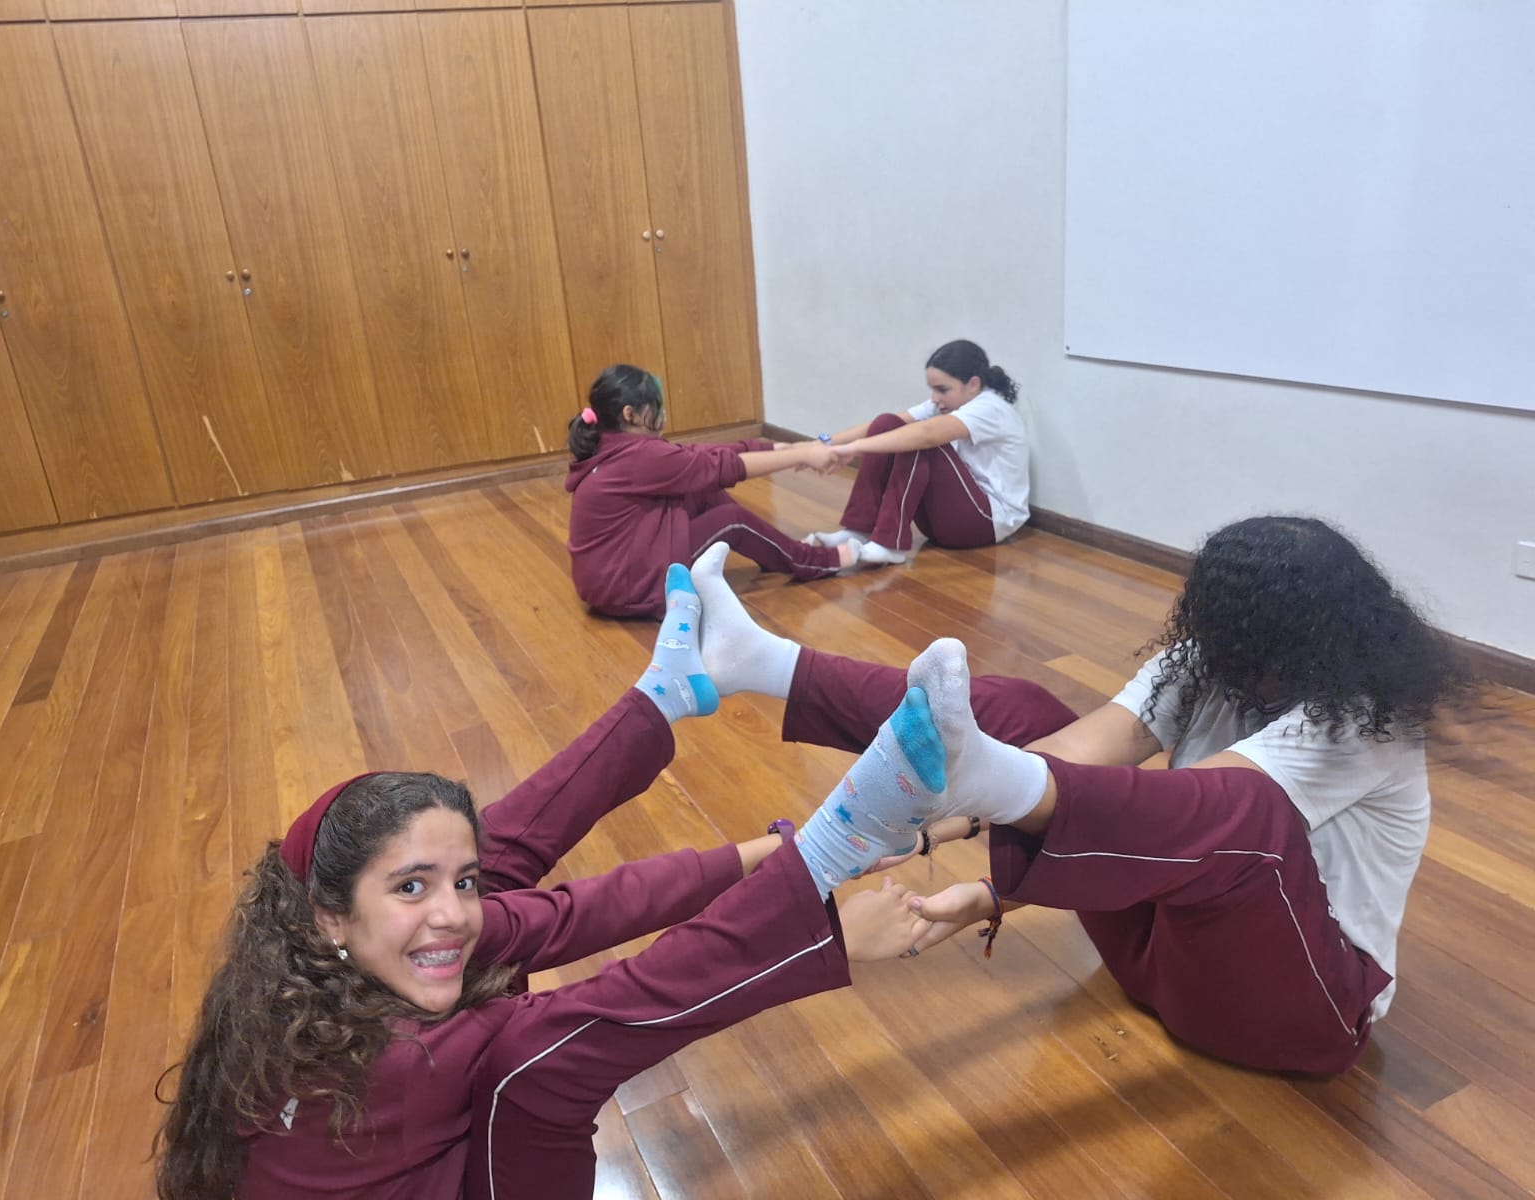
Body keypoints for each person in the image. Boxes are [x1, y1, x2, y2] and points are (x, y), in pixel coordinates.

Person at [154, 564, 962, 1200]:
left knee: (493, 860)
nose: (450, 912)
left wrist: (777, 849)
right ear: (330, 915)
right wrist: (821, 873)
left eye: (457, 883)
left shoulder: (309, 967)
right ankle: (736, 765)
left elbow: (576, 910)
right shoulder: (395, 1061)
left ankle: (662, 696)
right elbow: (621, 1008)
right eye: (409, 888)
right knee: (539, 1060)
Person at [688, 517, 1474, 1074]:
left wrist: (964, 845)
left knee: (1246, 814)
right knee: (1019, 710)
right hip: (1158, 953)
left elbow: (1199, 827)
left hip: (1295, 1010)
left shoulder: (1365, 721)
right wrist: (949, 833)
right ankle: (763, 662)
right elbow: (1086, 753)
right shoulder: (1212, 658)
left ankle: (958, 776)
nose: (1229, 659)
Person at [566, 364, 855, 619]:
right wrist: (801, 456)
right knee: (732, 520)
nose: (662, 413)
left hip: (614, 578)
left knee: (700, 489)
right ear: (630, 414)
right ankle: (812, 561)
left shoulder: (614, 445)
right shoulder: (638, 457)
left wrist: (788, 448)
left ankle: (779, 551)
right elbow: (724, 466)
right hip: (625, 590)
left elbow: (701, 455)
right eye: (654, 406)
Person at [807, 339, 1029, 566]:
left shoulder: (991, 408)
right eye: (932, 389)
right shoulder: (943, 404)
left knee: (919, 440)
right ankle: (859, 530)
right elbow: (885, 425)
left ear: (973, 384)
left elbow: (926, 435)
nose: (934, 398)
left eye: (942, 390)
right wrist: (820, 445)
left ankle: (889, 544)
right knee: (886, 423)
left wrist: (853, 449)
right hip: (943, 521)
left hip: (985, 524)